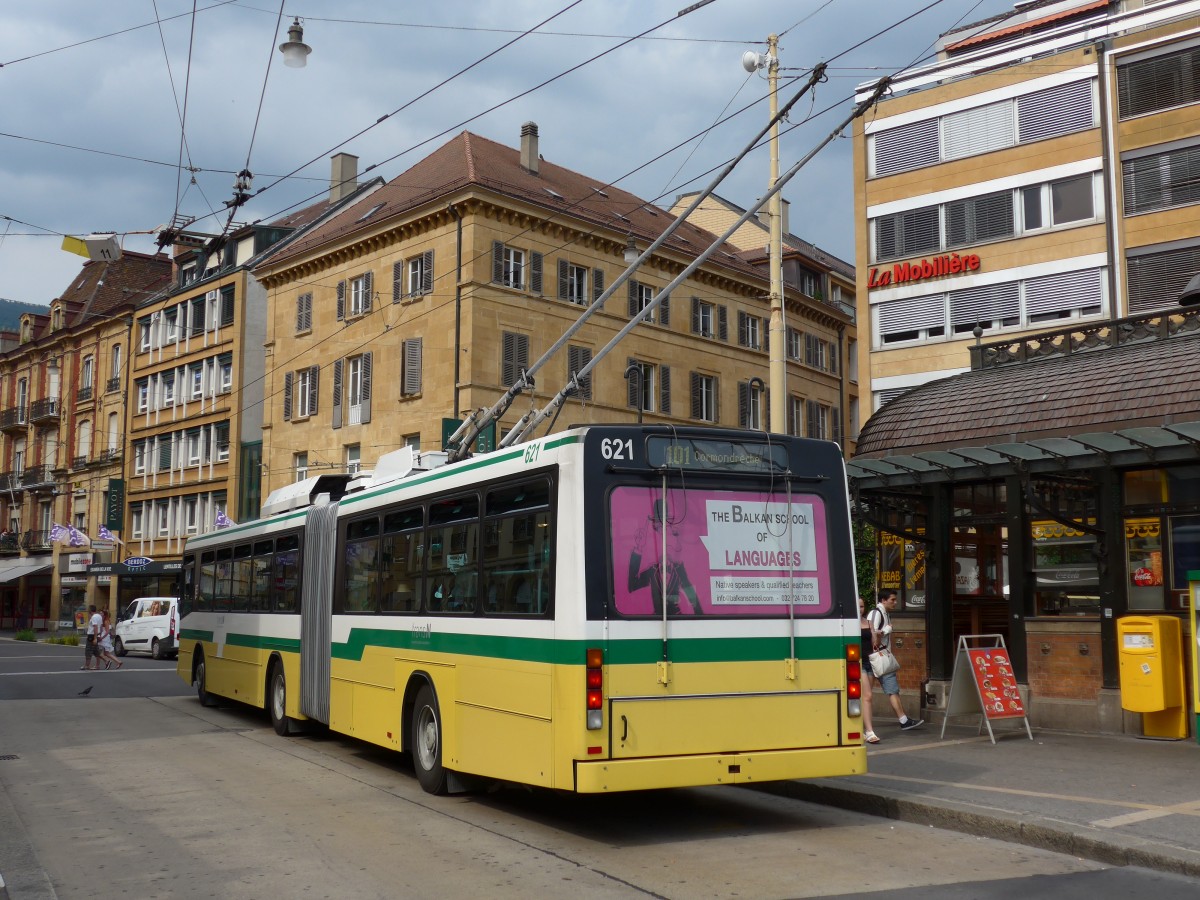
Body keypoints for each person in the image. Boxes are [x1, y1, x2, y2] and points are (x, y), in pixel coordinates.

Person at [868, 590, 923, 731]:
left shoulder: (885, 614)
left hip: (880, 656)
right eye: (892, 600)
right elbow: (872, 634)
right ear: (883, 600)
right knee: (867, 694)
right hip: (876, 657)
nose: (895, 602)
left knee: (891, 689)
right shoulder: (876, 613)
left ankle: (903, 720)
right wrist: (887, 630)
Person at [858, 597, 879, 744]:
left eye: (862, 606)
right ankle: (870, 731)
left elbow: (874, 643)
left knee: (866, 698)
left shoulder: (869, 623)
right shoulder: (848, 623)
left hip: (870, 661)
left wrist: (876, 634)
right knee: (867, 696)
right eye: (857, 606)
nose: (860, 609)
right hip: (857, 662)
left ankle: (862, 729)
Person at [81, 604, 102, 671]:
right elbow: (100, 626)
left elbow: (95, 627)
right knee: (96, 651)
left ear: (90, 610)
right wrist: (99, 634)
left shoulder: (94, 617)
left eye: (88, 609)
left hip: (92, 635)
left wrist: (95, 638)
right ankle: (97, 665)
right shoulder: (99, 616)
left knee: (88, 650)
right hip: (96, 634)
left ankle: (87, 665)